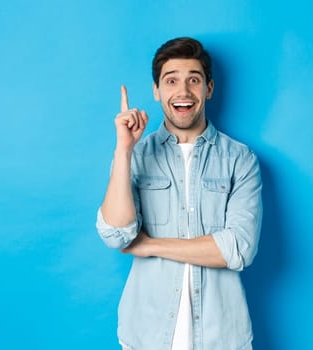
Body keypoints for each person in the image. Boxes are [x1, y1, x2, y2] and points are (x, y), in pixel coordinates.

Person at [96, 37, 263, 350]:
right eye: (171, 80)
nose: (183, 91)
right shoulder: (135, 156)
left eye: (194, 80)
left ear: (208, 89)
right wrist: (124, 150)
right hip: (145, 337)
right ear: (157, 90)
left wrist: (150, 245)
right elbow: (116, 235)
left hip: (222, 339)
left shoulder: (240, 159)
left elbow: (238, 249)